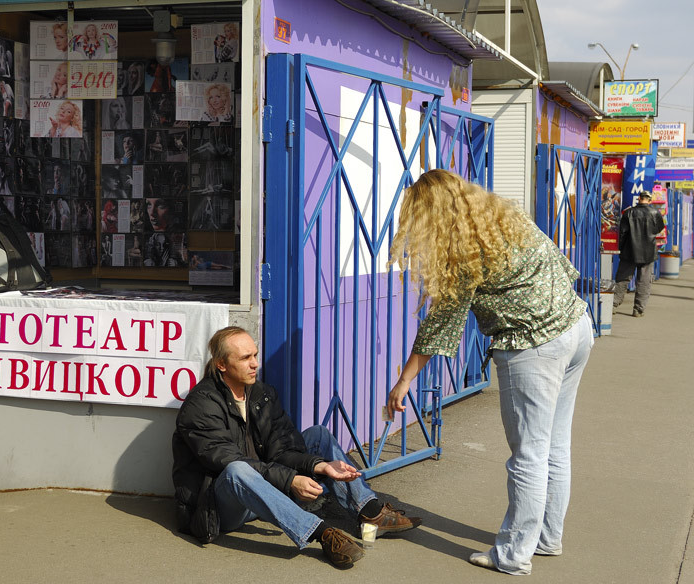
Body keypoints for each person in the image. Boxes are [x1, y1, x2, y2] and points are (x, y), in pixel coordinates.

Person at [385, 169, 594, 576]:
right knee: (554, 446)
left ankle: (514, 554)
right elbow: (563, 266)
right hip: (575, 328)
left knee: (529, 455)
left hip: (533, 348)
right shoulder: (506, 218)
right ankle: (547, 538)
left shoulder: (465, 251)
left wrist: (405, 379)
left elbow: (442, 322)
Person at [173, 327, 420, 568]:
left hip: (267, 487)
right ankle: (320, 533)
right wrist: (291, 481)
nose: (255, 364)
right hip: (220, 507)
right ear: (221, 365)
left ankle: (371, 511)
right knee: (237, 469)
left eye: (255, 355)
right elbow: (226, 460)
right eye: (245, 358)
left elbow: (282, 449)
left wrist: (320, 465)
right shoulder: (201, 405)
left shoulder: (262, 394)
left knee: (318, 435)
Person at [612, 191, 665, 317]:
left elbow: (623, 233)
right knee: (644, 281)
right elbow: (659, 229)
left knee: (622, 279)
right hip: (648, 253)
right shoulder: (655, 213)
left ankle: (614, 304)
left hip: (629, 251)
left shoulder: (629, 213)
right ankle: (638, 309)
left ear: (639, 199)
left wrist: (621, 248)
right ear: (650, 200)